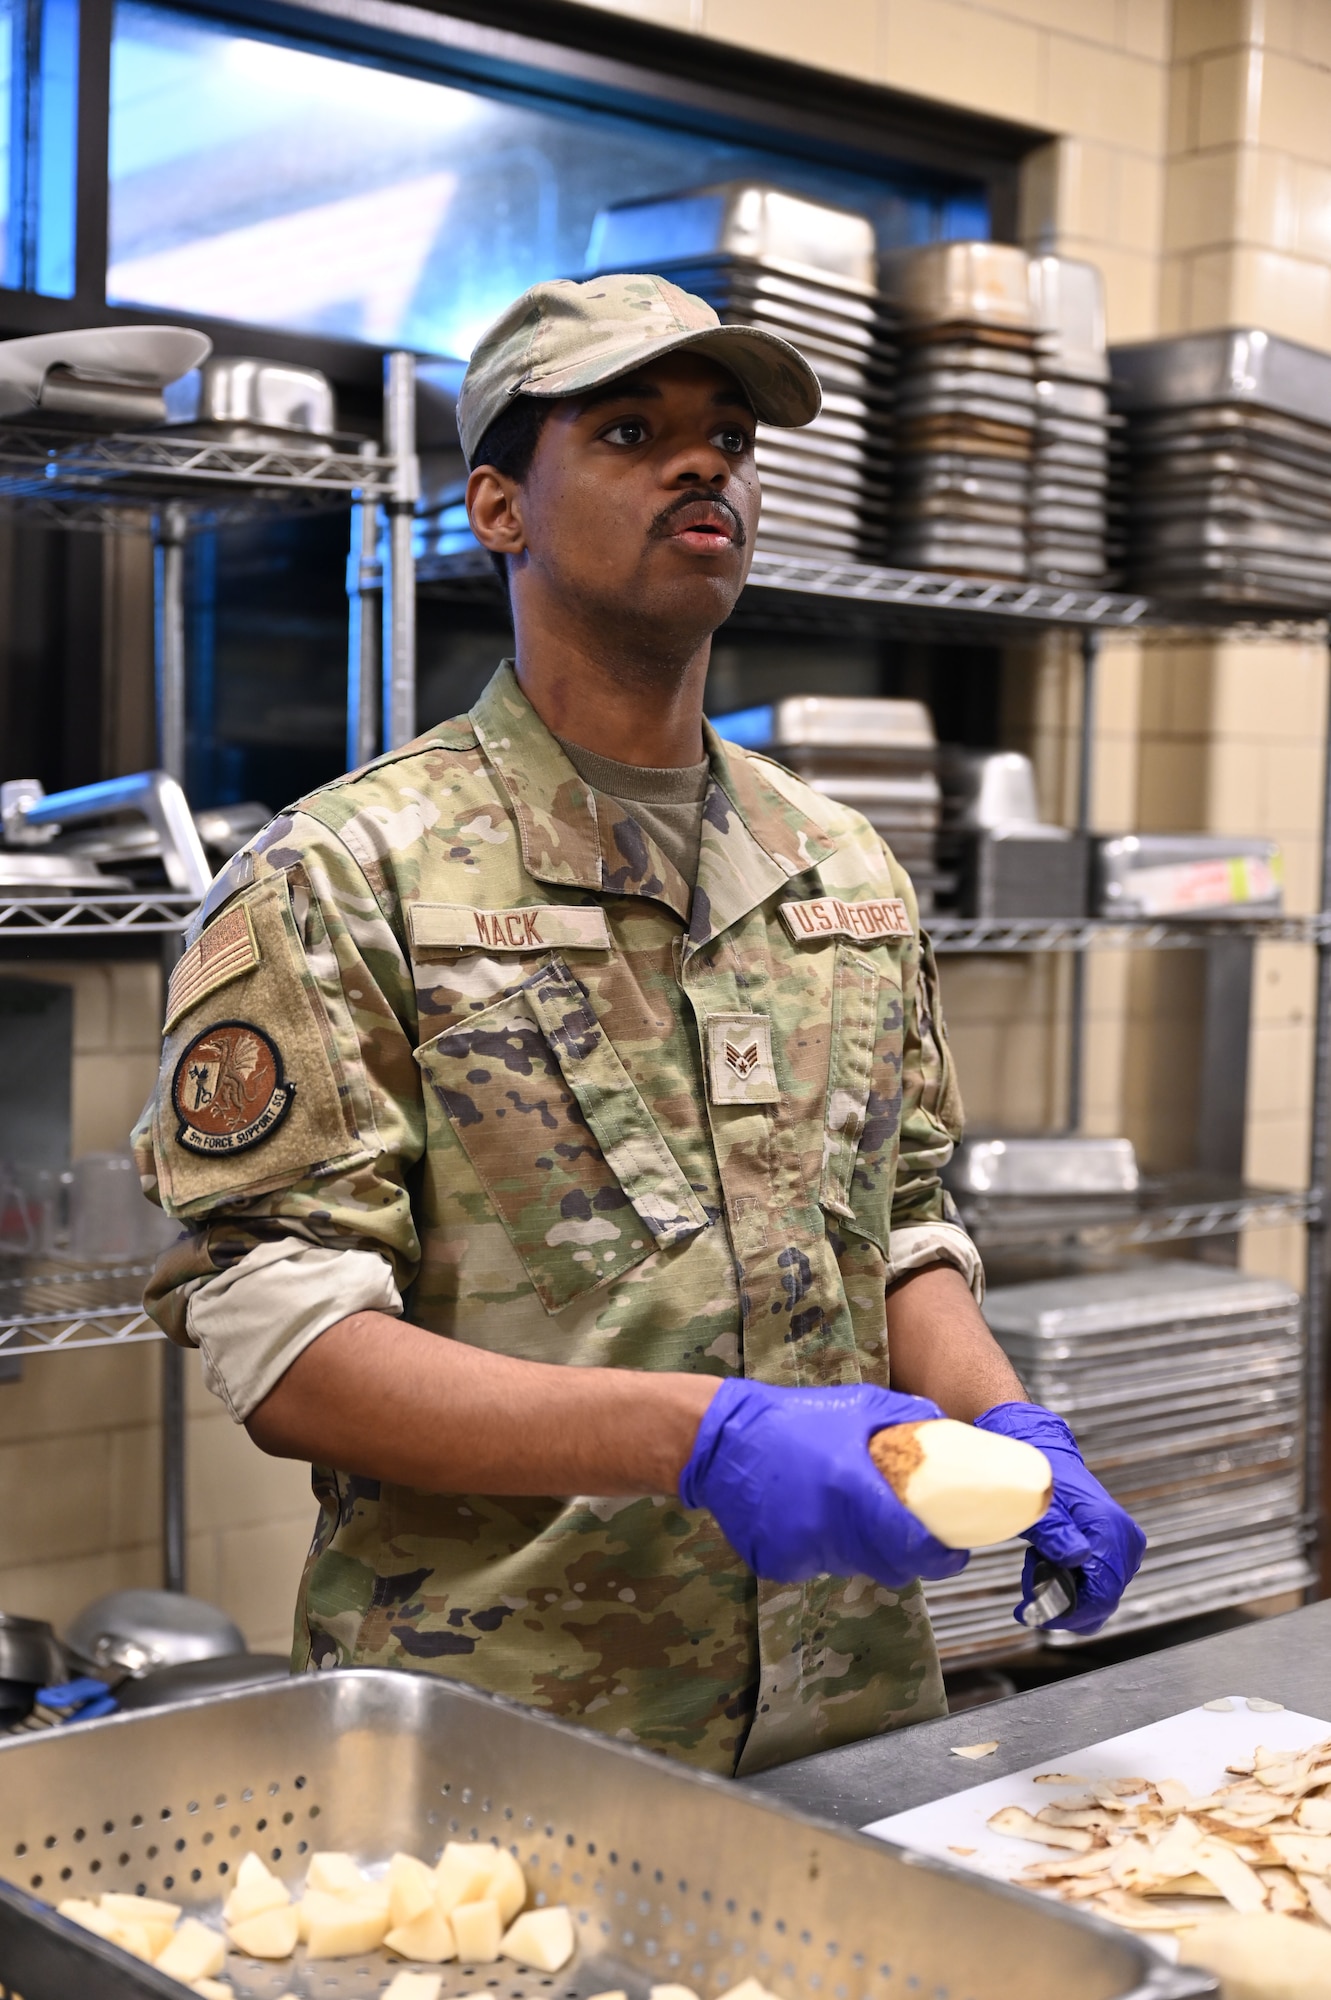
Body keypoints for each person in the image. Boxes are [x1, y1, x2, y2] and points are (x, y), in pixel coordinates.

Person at [135, 273, 1144, 1778]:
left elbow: (900, 1231)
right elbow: (291, 1353)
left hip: (847, 1713)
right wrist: (702, 1437)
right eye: (629, 431)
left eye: (729, 437)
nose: (702, 465)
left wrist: (1011, 1428)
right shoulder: (346, 875)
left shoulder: (842, 870)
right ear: (499, 507)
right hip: (512, 1734)